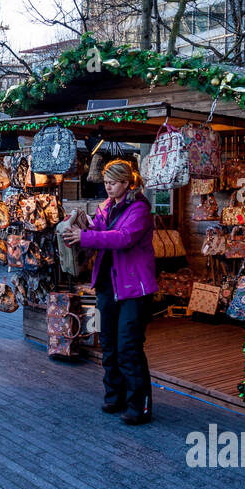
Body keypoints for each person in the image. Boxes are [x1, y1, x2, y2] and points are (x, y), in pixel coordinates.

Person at [64, 159, 158, 425]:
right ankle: (114, 396)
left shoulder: (140, 209)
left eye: (113, 183)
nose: (108, 187)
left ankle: (139, 405)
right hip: (108, 286)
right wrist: (79, 230)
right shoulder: (106, 207)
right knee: (109, 345)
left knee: (128, 347)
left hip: (133, 289)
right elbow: (98, 233)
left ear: (127, 183)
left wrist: (86, 237)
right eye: (105, 182)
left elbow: (123, 238)